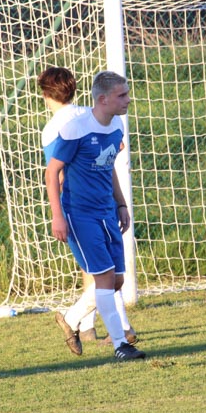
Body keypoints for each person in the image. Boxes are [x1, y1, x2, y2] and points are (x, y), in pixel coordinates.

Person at [45, 70, 146, 361]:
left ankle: (70, 318)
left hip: (107, 211)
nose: (128, 100)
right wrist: (57, 216)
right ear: (103, 99)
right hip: (80, 214)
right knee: (104, 278)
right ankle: (121, 345)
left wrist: (121, 204)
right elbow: (52, 172)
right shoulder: (75, 128)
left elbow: (108, 164)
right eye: (122, 95)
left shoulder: (116, 127)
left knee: (117, 282)